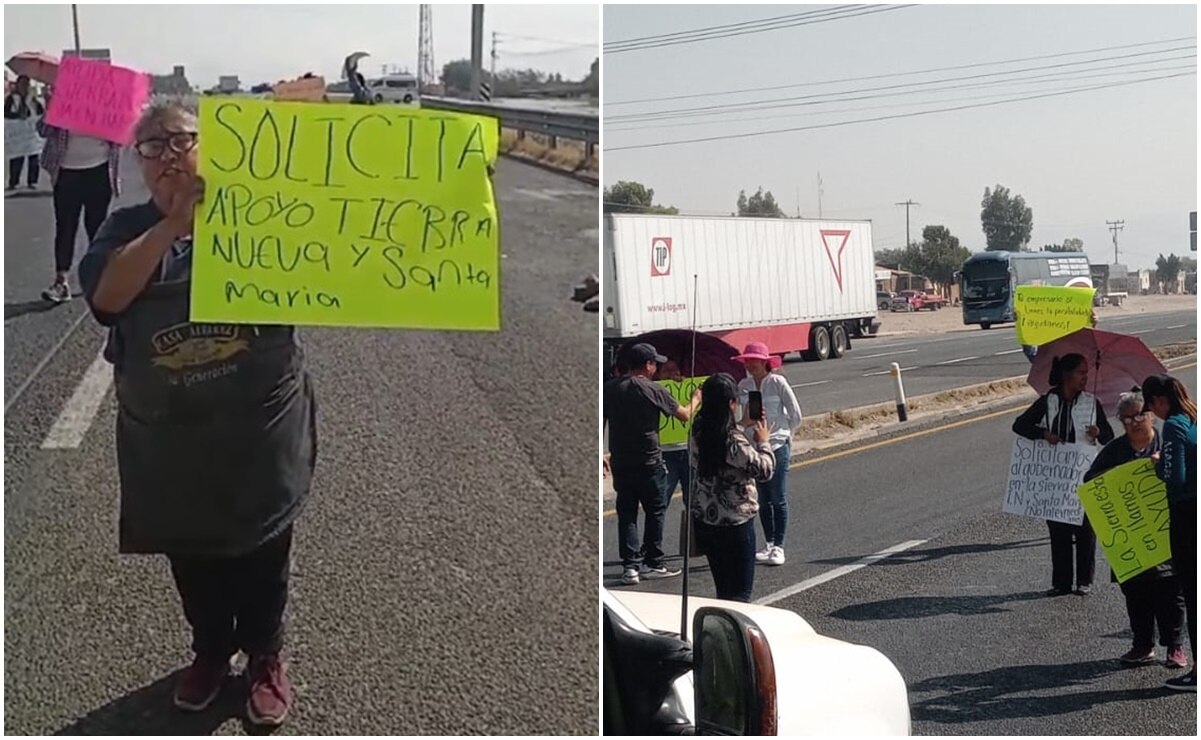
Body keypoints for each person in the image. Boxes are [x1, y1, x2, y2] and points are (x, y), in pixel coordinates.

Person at [77, 96, 317, 726]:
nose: (168, 156)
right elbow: (106, 296)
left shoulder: (258, 214)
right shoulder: (123, 227)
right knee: (193, 552)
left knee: (264, 546)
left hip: (259, 425)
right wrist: (171, 230)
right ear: (139, 164)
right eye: (152, 146)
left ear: (206, 146)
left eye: (180, 140)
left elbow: (341, 244)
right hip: (170, 439)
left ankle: (266, 655)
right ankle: (210, 650)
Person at [1082, 390, 1187, 669]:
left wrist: (1161, 464)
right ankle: (1142, 645)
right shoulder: (1115, 450)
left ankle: (1175, 647)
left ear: (1151, 415)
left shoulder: (1169, 441)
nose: (1134, 423)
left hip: (1166, 533)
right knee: (1136, 592)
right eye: (1126, 419)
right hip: (1130, 538)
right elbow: (1089, 481)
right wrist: (1108, 477)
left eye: (1139, 416)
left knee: (1171, 592)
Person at [1012, 352, 1114, 595]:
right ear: (1067, 375)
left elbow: (1109, 438)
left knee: (1085, 530)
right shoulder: (1048, 401)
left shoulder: (1092, 403)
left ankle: (1084, 581)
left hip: (1083, 473)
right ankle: (1061, 582)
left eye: (1087, 373)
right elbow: (1020, 425)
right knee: (1058, 530)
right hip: (1055, 477)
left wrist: (1098, 431)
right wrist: (1043, 434)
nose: (1085, 378)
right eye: (1081, 372)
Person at [604, 343, 700, 586]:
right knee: (655, 512)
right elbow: (684, 415)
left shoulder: (610, 388)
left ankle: (630, 567)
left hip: (621, 462)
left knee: (627, 514)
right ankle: (652, 563)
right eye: (655, 363)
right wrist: (696, 399)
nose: (657, 367)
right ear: (647, 365)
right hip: (649, 461)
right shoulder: (652, 389)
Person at [689, 373, 775, 602]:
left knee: (723, 589)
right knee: (740, 593)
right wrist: (763, 441)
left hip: (708, 521)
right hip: (735, 522)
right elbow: (764, 470)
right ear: (731, 404)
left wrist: (742, 424)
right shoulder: (733, 441)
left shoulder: (697, 430)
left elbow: (718, 438)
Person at [36, 86, 122, 304]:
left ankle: (98, 278)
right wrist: (53, 107)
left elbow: (122, 137)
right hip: (67, 173)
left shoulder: (107, 109)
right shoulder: (63, 105)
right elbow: (43, 131)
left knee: (97, 227)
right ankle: (61, 281)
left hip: (99, 172)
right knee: (65, 226)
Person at [1142, 374, 1197, 692]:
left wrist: (1157, 463)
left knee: (1191, 594)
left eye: (1150, 406)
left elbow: (1174, 477)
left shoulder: (1174, 424)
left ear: (1158, 401)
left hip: (1187, 514)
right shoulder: (1193, 416)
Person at [732, 342, 802, 566]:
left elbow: (795, 413)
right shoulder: (743, 385)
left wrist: (786, 435)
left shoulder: (777, 382)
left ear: (765, 362)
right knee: (761, 498)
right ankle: (769, 543)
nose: (750, 364)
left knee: (777, 497)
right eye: (747, 360)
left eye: (754, 360)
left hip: (777, 445)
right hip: (754, 448)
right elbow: (739, 415)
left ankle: (779, 546)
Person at [653, 359, 693, 541]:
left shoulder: (688, 386)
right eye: (666, 371)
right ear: (658, 374)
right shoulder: (654, 390)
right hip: (665, 453)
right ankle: (654, 546)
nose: (671, 374)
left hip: (689, 449)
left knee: (693, 500)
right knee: (661, 500)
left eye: (675, 370)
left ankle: (696, 540)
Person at [4, 74, 43, 191]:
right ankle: (13, 181)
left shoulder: (33, 99)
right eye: (22, 84)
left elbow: (40, 112)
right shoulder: (11, 98)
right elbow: (5, 113)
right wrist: (17, 116)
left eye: (26, 84)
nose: (24, 86)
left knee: (33, 157)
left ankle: (32, 181)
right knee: (17, 157)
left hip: (30, 133)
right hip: (18, 133)